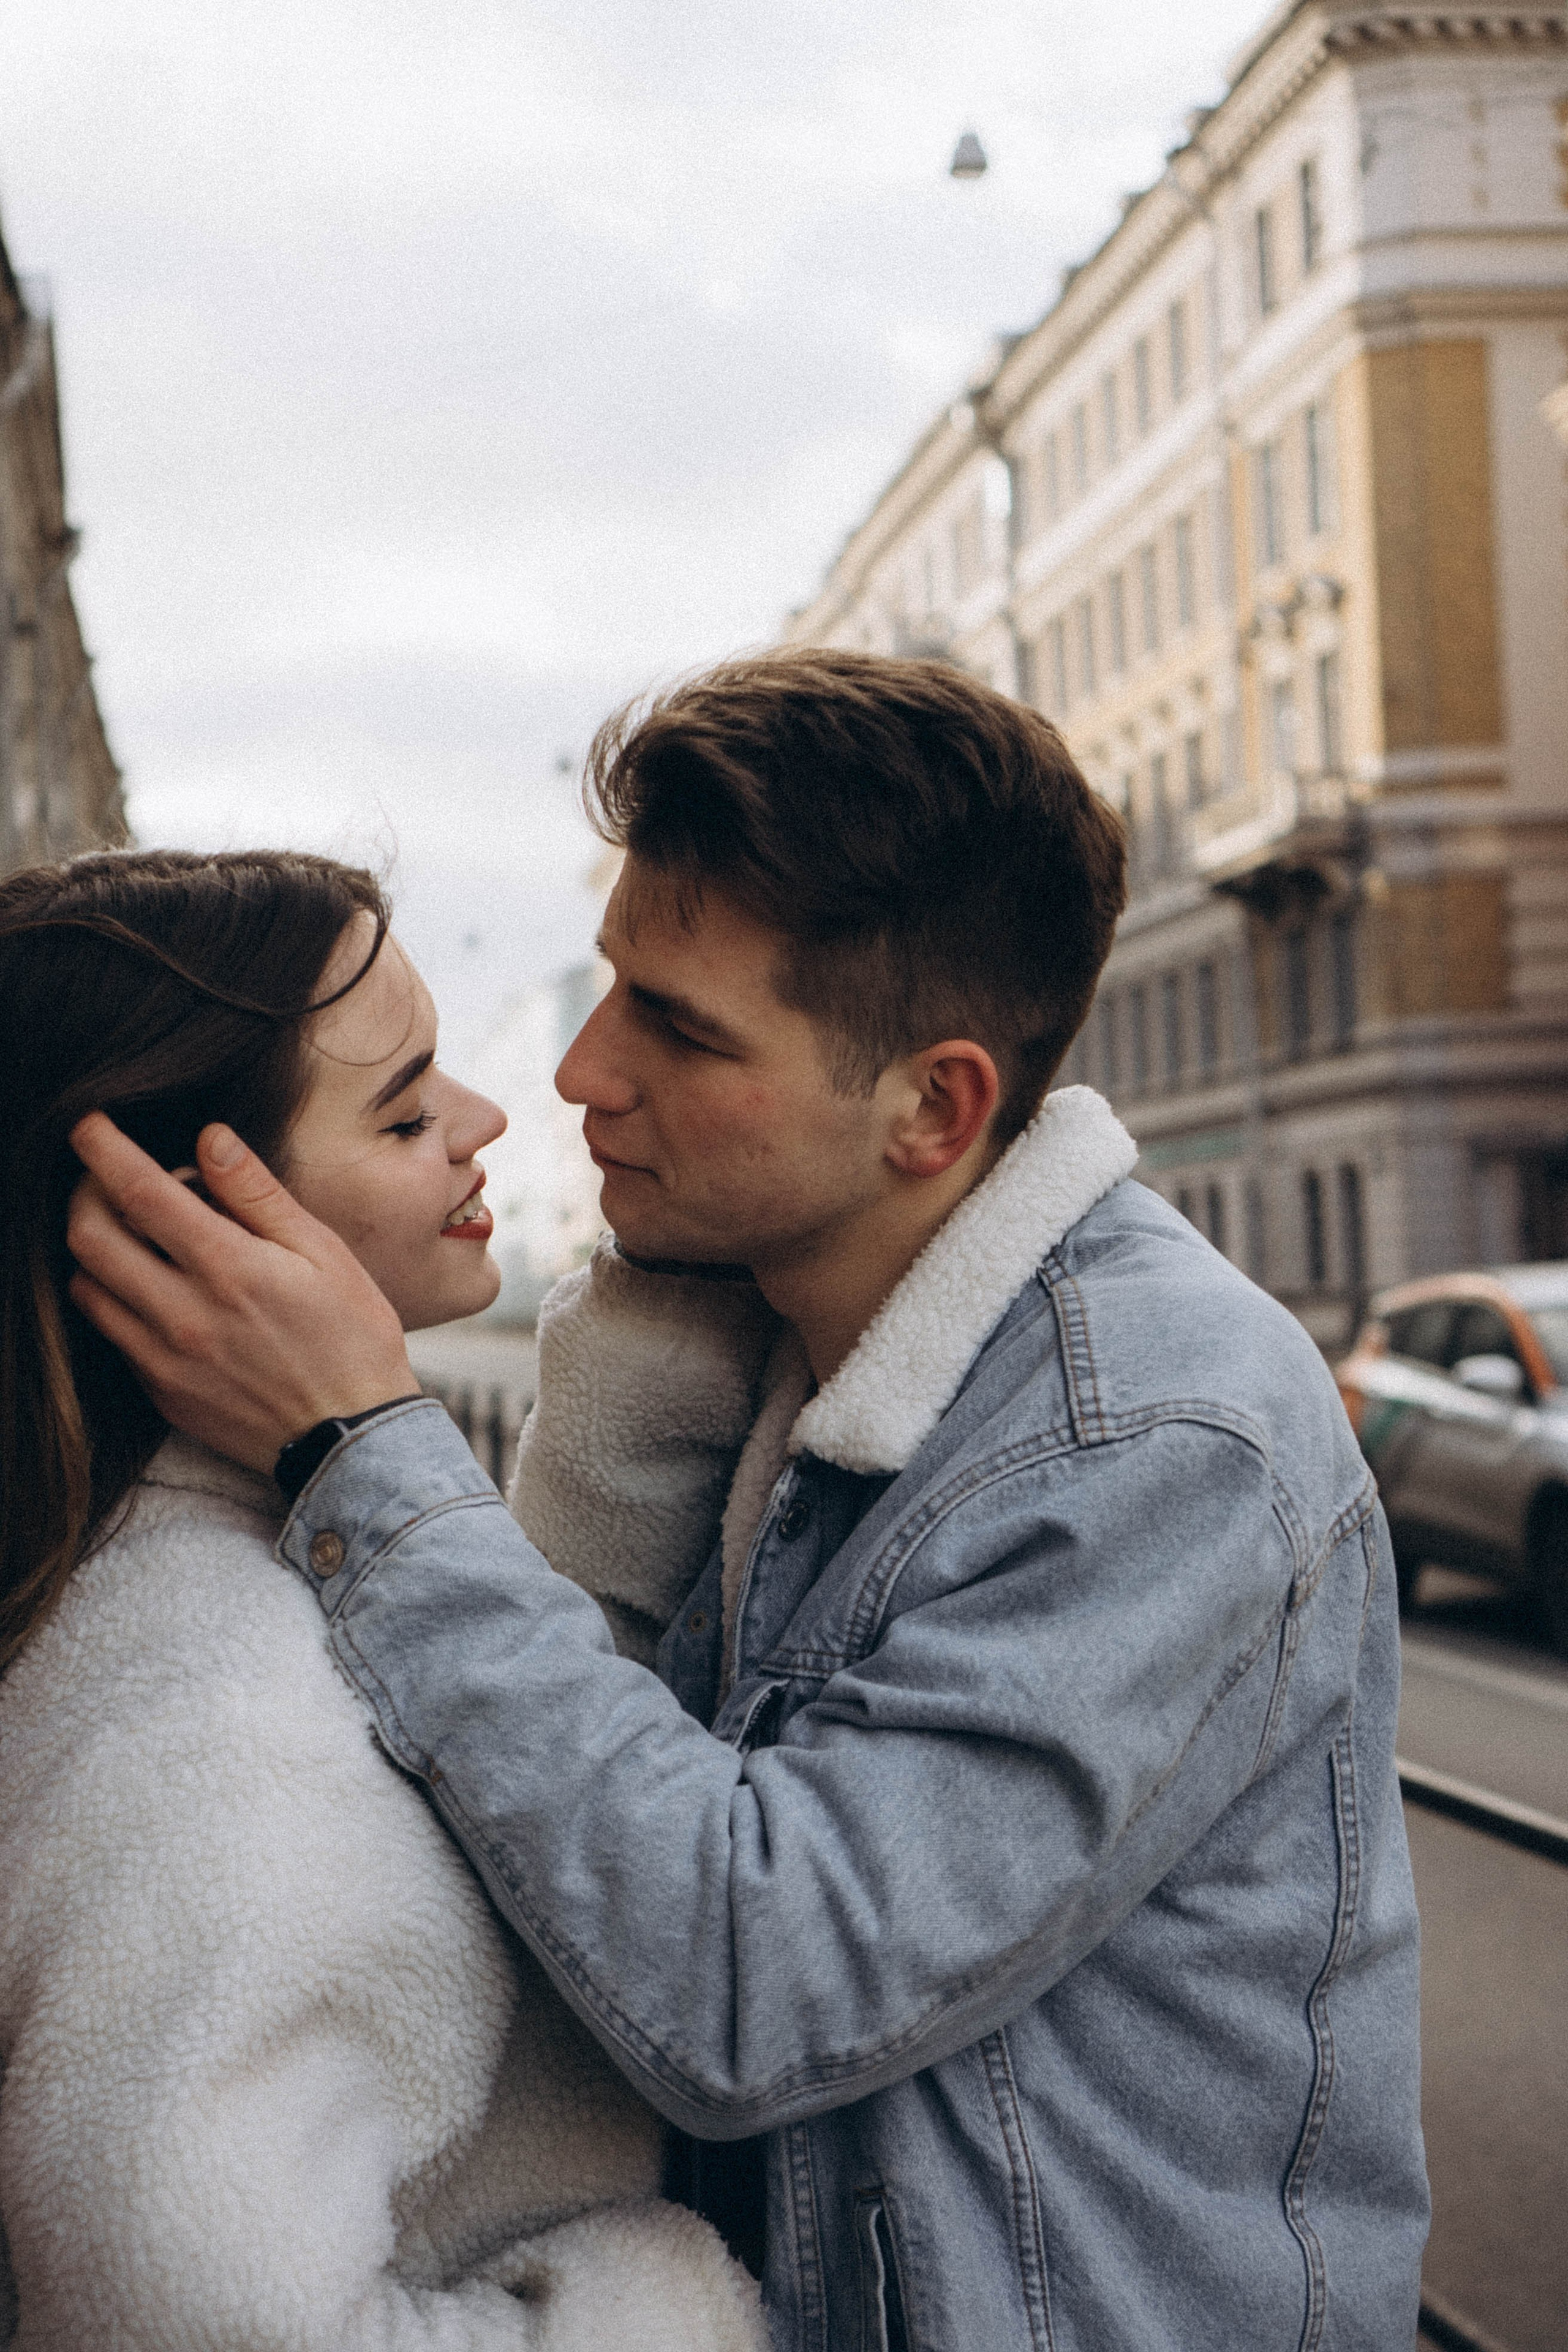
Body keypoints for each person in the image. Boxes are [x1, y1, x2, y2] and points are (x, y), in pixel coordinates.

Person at [69, 653, 1431, 2350]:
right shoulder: (748, 1340)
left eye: (680, 1027)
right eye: (613, 984)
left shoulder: (1155, 1435)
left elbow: (750, 1982)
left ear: (933, 1107)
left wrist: (358, 1450)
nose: (579, 1073)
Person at [0, 848, 766, 2351]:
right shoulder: (234, 1736)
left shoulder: (150, 1591)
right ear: (188, 1230)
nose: (488, 1121)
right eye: (406, 1114)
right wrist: (671, 2312)